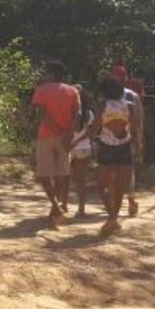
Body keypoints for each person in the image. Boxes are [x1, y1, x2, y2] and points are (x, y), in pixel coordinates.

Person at [86, 75, 143, 237]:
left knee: (101, 185)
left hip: (106, 148)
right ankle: (114, 218)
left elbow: (96, 126)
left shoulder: (102, 105)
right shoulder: (130, 106)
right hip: (125, 147)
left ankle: (111, 217)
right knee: (120, 187)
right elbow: (135, 128)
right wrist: (138, 147)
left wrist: (88, 140)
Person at [30, 60, 81, 229]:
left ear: (51, 73)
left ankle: (56, 206)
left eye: (45, 72)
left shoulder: (42, 90)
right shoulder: (73, 91)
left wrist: (58, 131)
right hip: (66, 138)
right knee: (61, 175)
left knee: (45, 175)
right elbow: (77, 115)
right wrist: (69, 134)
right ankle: (56, 209)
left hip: (46, 136)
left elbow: (43, 116)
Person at [111, 65, 146, 216]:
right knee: (127, 171)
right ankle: (130, 200)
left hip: (112, 139)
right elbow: (139, 119)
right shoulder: (132, 95)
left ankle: (116, 203)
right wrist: (139, 139)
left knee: (113, 171)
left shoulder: (107, 95)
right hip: (126, 138)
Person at [68, 85, 96, 218]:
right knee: (82, 180)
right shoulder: (89, 113)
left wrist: (72, 142)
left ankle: (63, 205)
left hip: (69, 147)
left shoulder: (67, 111)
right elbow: (89, 133)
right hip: (84, 148)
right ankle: (81, 208)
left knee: (65, 178)